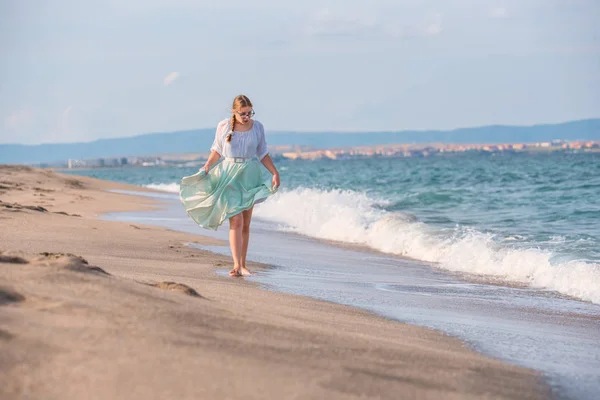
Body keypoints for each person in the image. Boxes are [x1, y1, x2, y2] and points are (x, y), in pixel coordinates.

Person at [179, 94, 280, 277]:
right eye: (243, 113)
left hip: (250, 175)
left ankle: (243, 264)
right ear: (234, 112)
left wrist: (274, 172)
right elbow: (217, 150)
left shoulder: (258, 127)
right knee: (236, 220)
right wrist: (207, 166)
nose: (247, 116)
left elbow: (263, 153)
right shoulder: (224, 126)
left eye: (249, 113)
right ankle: (236, 265)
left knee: (246, 224)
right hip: (229, 175)